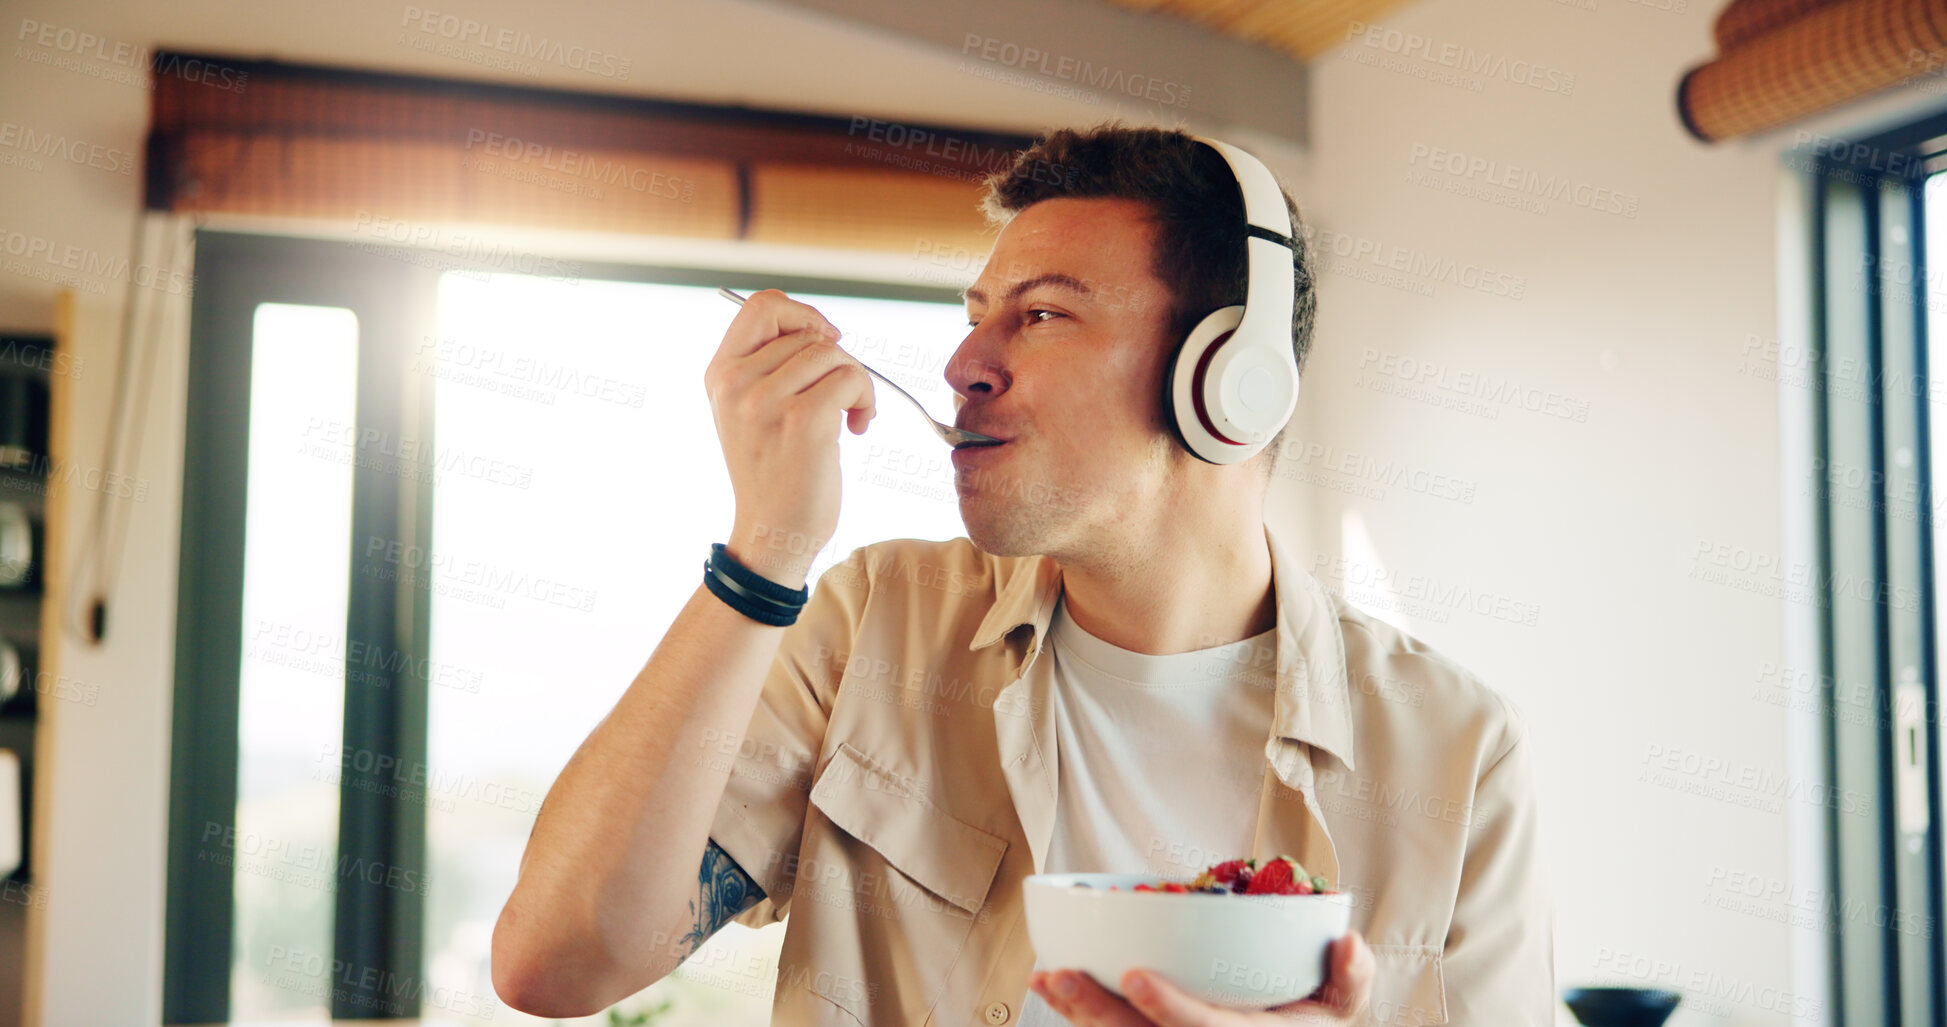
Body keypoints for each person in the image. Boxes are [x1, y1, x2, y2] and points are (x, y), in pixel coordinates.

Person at [490, 121, 1555, 1026]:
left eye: (1039, 314)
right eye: (973, 316)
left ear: (1231, 380)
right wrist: (765, 550)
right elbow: (555, 962)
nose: (962, 364)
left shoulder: (1457, 752)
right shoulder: (874, 625)